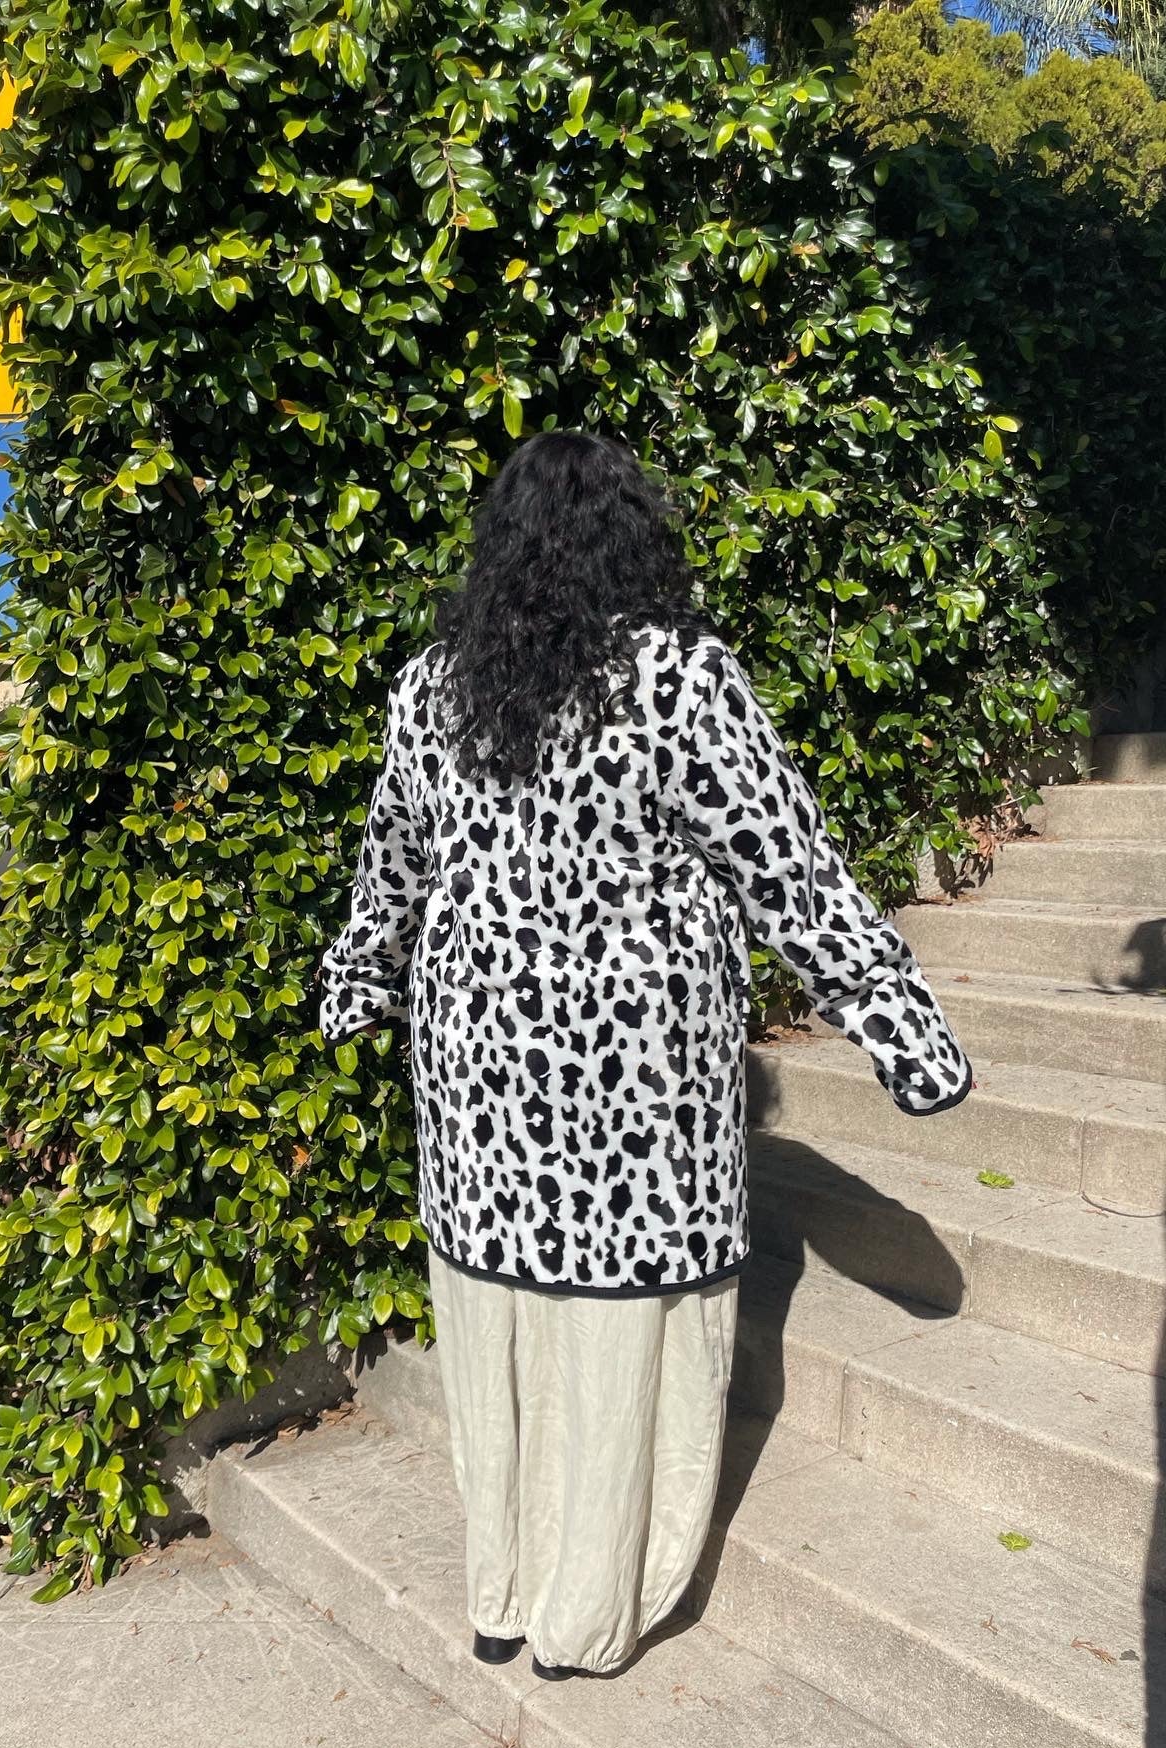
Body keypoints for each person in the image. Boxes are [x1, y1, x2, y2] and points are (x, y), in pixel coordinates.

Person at [316, 430, 974, 1681]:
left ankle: (504, 1599)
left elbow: (388, 875)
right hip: (637, 1095)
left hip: (477, 1081)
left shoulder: (428, 688)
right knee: (620, 1347)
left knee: (505, 1339)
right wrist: (902, 1026)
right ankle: (585, 1616)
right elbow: (789, 870)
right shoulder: (679, 679)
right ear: (635, 538)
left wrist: (356, 981)